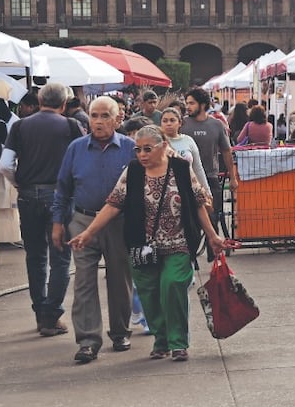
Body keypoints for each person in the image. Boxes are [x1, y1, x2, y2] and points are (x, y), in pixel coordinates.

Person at [69, 126, 226, 362]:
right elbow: (113, 204)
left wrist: (213, 236)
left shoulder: (181, 169)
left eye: (147, 149)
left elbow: (197, 204)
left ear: (163, 146)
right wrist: (89, 232)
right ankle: (161, 341)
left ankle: (178, 343)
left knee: (172, 286)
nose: (141, 155)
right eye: (138, 150)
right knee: (150, 295)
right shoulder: (132, 172)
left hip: (178, 242)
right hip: (142, 247)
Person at [51, 97, 137, 364]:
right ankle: (88, 341)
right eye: (94, 116)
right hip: (82, 221)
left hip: (118, 223)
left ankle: (121, 332)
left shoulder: (131, 148)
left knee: (119, 279)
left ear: (117, 119)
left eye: (104, 116)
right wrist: (57, 224)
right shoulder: (76, 148)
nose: (98, 122)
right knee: (84, 281)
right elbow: (62, 188)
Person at [0, 82, 84, 336]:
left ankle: (40, 312)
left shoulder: (20, 125)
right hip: (59, 195)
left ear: (39, 100)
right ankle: (52, 314)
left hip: (28, 195)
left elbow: (5, 164)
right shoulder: (71, 126)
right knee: (60, 258)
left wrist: (19, 183)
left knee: (35, 256)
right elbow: (81, 161)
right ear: (64, 103)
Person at [181, 87, 239, 244]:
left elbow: (227, 151)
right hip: (186, 179)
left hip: (211, 178)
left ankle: (214, 252)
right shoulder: (182, 124)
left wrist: (233, 178)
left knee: (213, 216)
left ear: (203, 104)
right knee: (190, 221)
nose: (188, 106)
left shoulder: (217, 125)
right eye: (187, 103)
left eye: (191, 103)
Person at [159, 107, 211, 200]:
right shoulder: (158, 142)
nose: (168, 124)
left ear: (180, 123)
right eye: (165, 121)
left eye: (172, 120)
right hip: (165, 191)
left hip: (188, 189)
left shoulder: (188, 140)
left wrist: (206, 191)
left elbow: (198, 168)